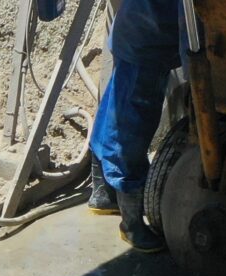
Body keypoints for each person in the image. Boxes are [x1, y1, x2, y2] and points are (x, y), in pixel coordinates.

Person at [85, 0, 181, 253]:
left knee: (113, 114)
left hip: (137, 34)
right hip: (147, 41)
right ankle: (132, 225)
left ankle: (103, 195)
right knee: (131, 133)